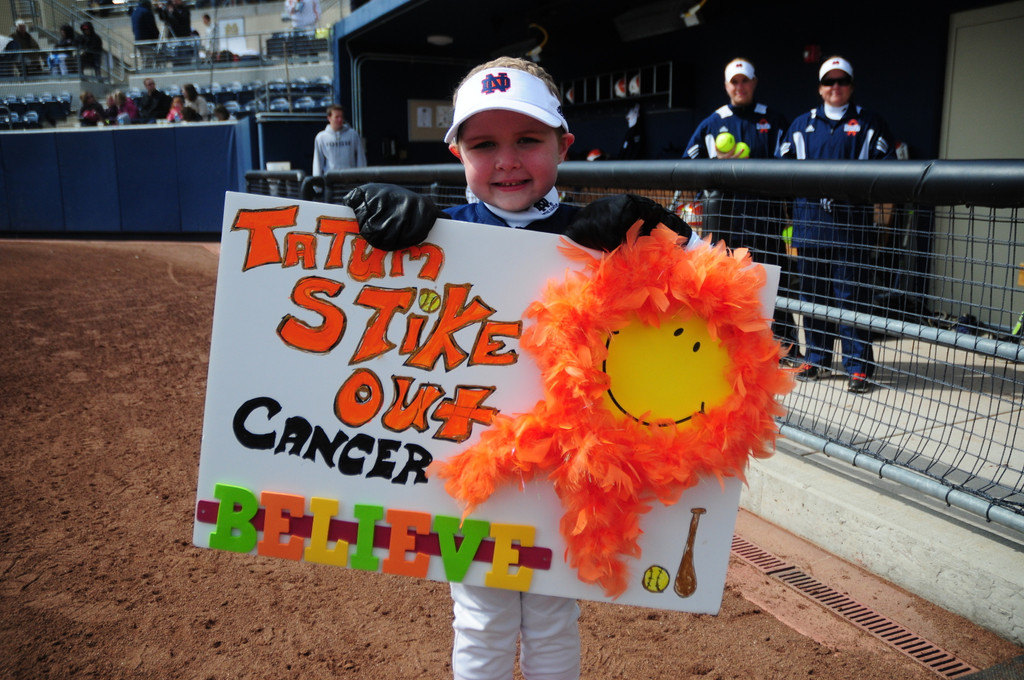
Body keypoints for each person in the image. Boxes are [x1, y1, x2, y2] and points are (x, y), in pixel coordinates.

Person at [342, 56, 697, 680]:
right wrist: (369, 232)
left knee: (554, 617)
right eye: (484, 144)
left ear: (564, 144)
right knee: (479, 618)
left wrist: (665, 232)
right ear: (457, 152)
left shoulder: (599, 233)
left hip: (568, 473)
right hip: (472, 467)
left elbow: (717, 296)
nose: (506, 160)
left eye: (528, 140)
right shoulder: (438, 234)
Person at [777, 56, 896, 393]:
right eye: (829, 81)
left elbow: (889, 173)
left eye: (841, 81)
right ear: (819, 88)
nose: (835, 87)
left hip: (851, 232)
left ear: (851, 86)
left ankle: (858, 368)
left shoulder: (871, 123)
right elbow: (780, 172)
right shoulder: (801, 125)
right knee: (812, 298)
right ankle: (816, 360)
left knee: (851, 300)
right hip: (810, 229)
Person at [685, 57, 800, 362]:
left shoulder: (773, 120)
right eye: (734, 82)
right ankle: (727, 347)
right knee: (726, 286)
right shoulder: (712, 123)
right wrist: (716, 167)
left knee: (773, 283)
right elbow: (687, 165)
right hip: (726, 223)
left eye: (745, 81)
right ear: (726, 86)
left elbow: (790, 165)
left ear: (754, 83)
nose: (740, 87)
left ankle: (785, 348)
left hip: (766, 220)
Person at [312, 105, 366, 175]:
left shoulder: (353, 135)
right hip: (331, 180)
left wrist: (362, 178)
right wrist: (317, 183)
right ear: (329, 118)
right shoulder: (321, 137)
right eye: (337, 117)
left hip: (350, 178)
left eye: (341, 117)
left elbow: (360, 159)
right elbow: (318, 163)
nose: (340, 120)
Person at [131, 0, 160, 68]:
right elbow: (152, 27)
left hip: (138, 40)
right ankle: (147, 75)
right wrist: (157, 37)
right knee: (148, 60)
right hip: (147, 40)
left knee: (145, 59)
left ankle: (146, 75)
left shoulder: (135, 12)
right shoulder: (146, 12)